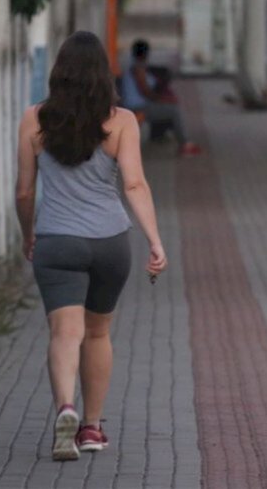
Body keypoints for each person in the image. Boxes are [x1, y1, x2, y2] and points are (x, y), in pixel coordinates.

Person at [15, 31, 167, 461]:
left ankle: (65, 406)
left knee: (65, 332)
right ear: (104, 74)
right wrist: (155, 241)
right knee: (98, 333)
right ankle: (92, 428)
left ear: (59, 73)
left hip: (57, 241)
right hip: (109, 244)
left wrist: (29, 234)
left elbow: (25, 192)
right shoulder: (121, 122)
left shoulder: (34, 119)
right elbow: (134, 184)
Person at [119, 39, 201, 156]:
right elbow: (146, 92)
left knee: (166, 106)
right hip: (137, 108)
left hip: (135, 106)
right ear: (146, 54)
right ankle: (184, 144)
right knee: (173, 111)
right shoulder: (138, 69)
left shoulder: (132, 66)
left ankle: (158, 135)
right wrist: (163, 99)